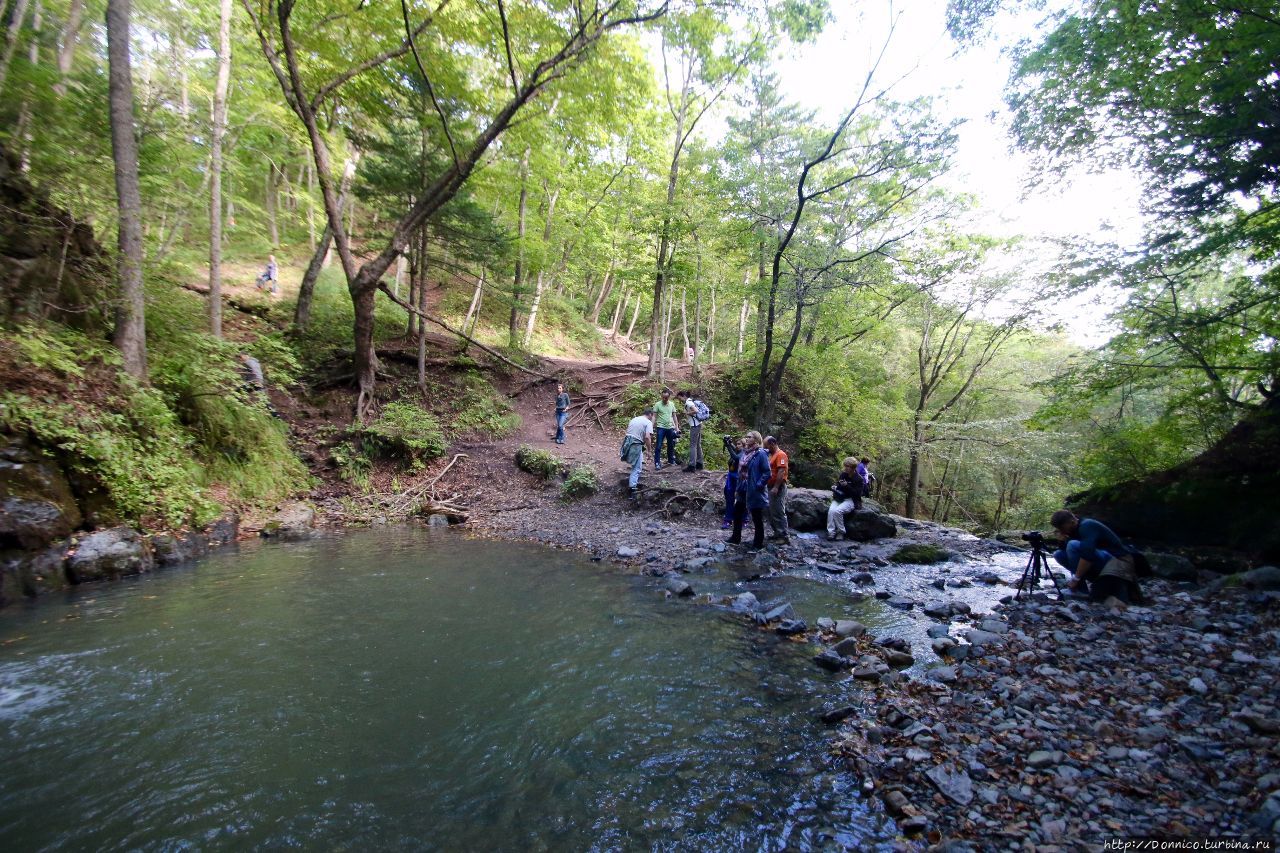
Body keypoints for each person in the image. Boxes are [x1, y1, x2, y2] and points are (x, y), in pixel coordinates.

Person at [1049, 510, 1142, 603]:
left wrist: (1075, 579)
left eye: (1062, 528)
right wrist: (1061, 541)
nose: (1061, 530)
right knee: (1059, 554)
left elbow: (1087, 554)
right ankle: (1081, 589)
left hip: (1118, 561)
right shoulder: (1074, 529)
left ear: (1072, 522)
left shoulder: (1087, 525)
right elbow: (1068, 553)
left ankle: (1080, 590)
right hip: (1103, 559)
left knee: (1073, 545)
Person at [728, 431, 771, 549]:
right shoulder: (745, 452)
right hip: (742, 487)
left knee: (757, 517)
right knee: (737, 513)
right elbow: (739, 466)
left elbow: (767, 472)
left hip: (754, 489)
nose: (746, 438)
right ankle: (735, 538)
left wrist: (759, 485)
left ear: (756, 440)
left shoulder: (761, 454)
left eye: (749, 437)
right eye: (746, 436)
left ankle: (758, 544)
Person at [620, 407, 655, 498]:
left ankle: (632, 488)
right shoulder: (648, 422)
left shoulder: (635, 419)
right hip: (635, 444)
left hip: (627, 443)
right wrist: (649, 451)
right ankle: (632, 491)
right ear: (650, 414)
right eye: (652, 416)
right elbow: (647, 437)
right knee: (637, 468)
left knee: (636, 465)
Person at [826, 457, 861, 541]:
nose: (845, 468)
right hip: (839, 498)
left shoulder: (858, 479)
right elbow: (839, 485)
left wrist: (847, 486)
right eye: (845, 466)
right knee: (831, 511)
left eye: (848, 466)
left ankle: (841, 532)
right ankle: (831, 532)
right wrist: (835, 487)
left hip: (850, 500)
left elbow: (857, 494)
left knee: (838, 511)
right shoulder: (843, 474)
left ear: (853, 467)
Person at [764, 435, 790, 544]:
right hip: (770, 486)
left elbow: (781, 471)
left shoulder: (781, 455)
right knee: (771, 511)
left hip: (778, 487)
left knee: (778, 511)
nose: (766, 448)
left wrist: (776, 487)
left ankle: (784, 536)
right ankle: (776, 532)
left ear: (773, 444)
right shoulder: (772, 455)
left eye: (767, 446)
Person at [677, 390, 710, 472]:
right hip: (698, 424)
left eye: (680, 398)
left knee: (693, 445)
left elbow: (696, 411)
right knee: (698, 444)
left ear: (683, 396)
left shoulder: (688, 403)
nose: (680, 400)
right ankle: (700, 463)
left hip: (695, 426)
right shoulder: (691, 401)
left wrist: (687, 413)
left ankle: (692, 465)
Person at [652, 387, 680, 470]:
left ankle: (671, 460)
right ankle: (657, 463)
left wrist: (677, 427)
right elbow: (654, 416)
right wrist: (651, 427)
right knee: (658, 446)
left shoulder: (672, 404)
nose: (664, 399)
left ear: (669, 397)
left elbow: (674, 416)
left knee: (671, 445)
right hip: (661, 427)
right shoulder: (657, 404)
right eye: (663, 397)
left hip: (670, 427)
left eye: (666, 397)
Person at [721, 435, 743, 530]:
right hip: (730, 479)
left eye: (740, 444)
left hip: (738, 480)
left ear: (744, 446)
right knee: (729, 499)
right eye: (736, 444)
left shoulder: (743, 454)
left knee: (740, 501)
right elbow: (735, 451)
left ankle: (743, 519)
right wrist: (729, 443)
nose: (737, 446)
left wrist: (729, 446)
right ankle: (728, 519)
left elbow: (736, 457)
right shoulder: (738, 451)